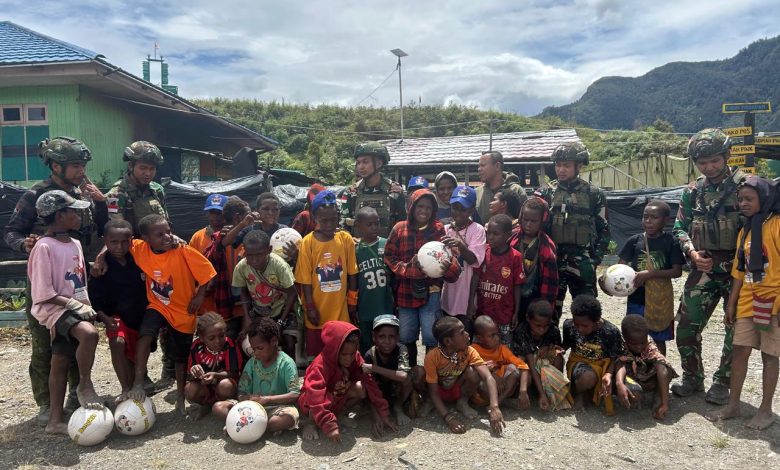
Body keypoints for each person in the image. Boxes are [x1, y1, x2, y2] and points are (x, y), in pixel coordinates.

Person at [4, 137, 107, 426]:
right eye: (75, 165)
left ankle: (75, 396)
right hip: (46, 284)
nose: (81, 171)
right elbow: (11, 232)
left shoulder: (82, 193)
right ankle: (47, 405)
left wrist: (100, 203)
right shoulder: (36, 195)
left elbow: (99, 229)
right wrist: (24, 244)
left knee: (74, 342)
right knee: (43, 347)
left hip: (76, 280)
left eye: (83, 165)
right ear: (56, 166)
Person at [671, 128, 748, 405]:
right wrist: (692, 253)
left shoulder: (745, 187)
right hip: (703, 267)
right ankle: (693, 377)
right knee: (686, 326)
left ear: (727, 155)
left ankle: (723, 382)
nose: (709, 167)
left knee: (735, 328)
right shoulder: (693, 192)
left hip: (739, 272)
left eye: (714, 160)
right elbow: (680, 227)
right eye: (702, 162)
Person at [120, 214, 216, 415]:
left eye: (168, 231)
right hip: (158, 305)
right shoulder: (139, 248)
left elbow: (207, 272)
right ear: (146, 238)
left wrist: (199, 296)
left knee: (180, 356)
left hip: (183, 311)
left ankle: (180, 396)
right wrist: (100, 257)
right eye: (159, 234)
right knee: (145, 334)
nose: (167, 236)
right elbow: (116, 241)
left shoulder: (182, 250)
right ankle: (138, 381)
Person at [27, 190, 105, 434]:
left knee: (60, 361)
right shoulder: (43, 247)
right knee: (89, 334)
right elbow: (43, 292)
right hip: (55, 308)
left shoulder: (75, 243)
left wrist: (85, 305)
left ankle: (54, 421)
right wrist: (74, 305)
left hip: (76, 308)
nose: (79, 215)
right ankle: (85, 384)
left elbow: (79, 283)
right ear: (59, 215)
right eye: (73, 211)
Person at [706, 176, 780, 430]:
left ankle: (766, 410)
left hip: (773, 301)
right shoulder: (745, 231)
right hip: (748, 300)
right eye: (740, 199)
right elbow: (739, 271)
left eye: (749, 199)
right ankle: (734, 404)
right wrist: (731, 304)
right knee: (739, 351)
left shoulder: (777, 225)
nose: (743, 203)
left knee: (770, 355)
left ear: (765, 198)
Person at [384, 189, 461, 367]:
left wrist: (447, 265)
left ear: (433, 210)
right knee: (406, 335)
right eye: (420, 206)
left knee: (431, 335)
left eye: (428, 208)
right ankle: (410, 373)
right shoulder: (399, 229)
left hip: (431, 292)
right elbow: (389, 256)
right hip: (405, 292)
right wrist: (408, 270)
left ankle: (429, 374)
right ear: (411, 207)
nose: (424, 211)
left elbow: (450, 261)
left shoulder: (438, 230)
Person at [536, 142, 609, 324]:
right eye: (558, 165)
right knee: (549, 312)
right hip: (553, 261)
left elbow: (604, 228)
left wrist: (595, 259)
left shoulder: (594, 194)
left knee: (587, 312)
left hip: (583, 261)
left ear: (579, 166)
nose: (561, 170)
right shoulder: (545, 192)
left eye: (566, 165)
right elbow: (535, 226)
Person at [299, 321, 398, 442]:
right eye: (344, 354)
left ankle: (339, 415)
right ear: (334, 349)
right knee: (315, 398)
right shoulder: (320, 366)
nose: (349, 359)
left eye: (352, 354)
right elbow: (315, 397)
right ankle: (311, 423)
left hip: (337, 396)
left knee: (361, 388)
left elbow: (369, 382)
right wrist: (329, 426)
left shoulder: (355, 357)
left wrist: (383, 413)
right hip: (315, 402)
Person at [88, 220, 150, 402]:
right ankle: (125, 389)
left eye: (124, 242)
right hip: (115, 317)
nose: (119, 247)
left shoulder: (140, 258)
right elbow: (95, 299)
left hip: (141, 316)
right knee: (117, 342)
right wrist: (105, 318)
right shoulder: (101, 268)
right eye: (114, 242)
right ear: (105, 241)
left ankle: (138, 382)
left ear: (132, 240)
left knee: (137, 354)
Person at [415, 316, 504, 435]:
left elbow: (488, 377)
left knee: (473, 372)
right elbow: (434, 391)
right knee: (418, 372)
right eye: (462, 333)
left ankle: (462, 402)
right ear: (448, 342)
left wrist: (494, 407)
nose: (467, 334)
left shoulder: (469, 351)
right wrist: (449, 418)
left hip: (456, 389)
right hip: (437, 391)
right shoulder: (432, 357)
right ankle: (429, 401)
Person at [295, 190, 358, 357]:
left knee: (341, 354)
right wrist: (310, 307)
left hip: (341, 313)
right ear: (314, 218)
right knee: (318, 357)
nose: (329, 224)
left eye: (333, 219)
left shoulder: (345, 239)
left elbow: (352, 273)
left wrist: (352, 301)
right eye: (324, 220)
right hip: (317, 313)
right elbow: (305, 279)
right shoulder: (307, 242)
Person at [616, 200, 684, 355]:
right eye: (645, 217)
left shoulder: (671, 242)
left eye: (654, 217)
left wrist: (650, 274)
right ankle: (635, 367)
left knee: (658, 339)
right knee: (633, 337)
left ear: (665, 220)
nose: (648, 221)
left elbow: (677, 271)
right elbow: (620, 268)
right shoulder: (634, 241)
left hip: (660, 301)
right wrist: (609, 281)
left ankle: (659, 366)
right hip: (636, 299)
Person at [213, 317, 302, 434]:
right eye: (253, 349)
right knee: (218, 407)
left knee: (288, 418)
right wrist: (248, 399)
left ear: (274, 341)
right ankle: (253, 427)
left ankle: (243, 426)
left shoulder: (286, 363)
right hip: (251, 409)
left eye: (260, 348)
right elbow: (241, 393)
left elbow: (294, 394)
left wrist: (266, 399)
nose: (256, 353)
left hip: (276, 408)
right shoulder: (252, 362)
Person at [232, 230, 297, 357]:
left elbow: (292, 293)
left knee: (289, 343)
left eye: (259, 254)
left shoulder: (279, 266)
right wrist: (247, 318)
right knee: (251, 345)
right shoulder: (242, 267)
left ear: (269, 250)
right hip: (259, 312)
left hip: (283, 310)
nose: (254, 260)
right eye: (250, 255)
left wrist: (281, 322)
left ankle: (289, 368)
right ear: (244, 251)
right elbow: (243, 291)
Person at [562, 295, 623, 413]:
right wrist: (560, 350)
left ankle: (592, 392)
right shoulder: (569, 326)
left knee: (635, 393)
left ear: (597, 320)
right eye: (576, 324)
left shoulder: (610, 331)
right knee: (587, 377)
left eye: (584, 326)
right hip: (579, 363)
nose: (579, 329)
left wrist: (608, 374)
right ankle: (580, 393)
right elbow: (566, 344)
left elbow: (615, 358)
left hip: (603, 366)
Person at [473, 215, 525, 344]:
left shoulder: (515, 257)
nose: (490, 237)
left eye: (495, 234)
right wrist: (470, 304)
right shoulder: (483, 251)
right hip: (483, 313)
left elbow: (517, 285)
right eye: (489, 233)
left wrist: (516, 312)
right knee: (479, 347)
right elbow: (475, 277)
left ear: (508, 235)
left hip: (504, 314)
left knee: (503, 348)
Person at [441, 186, 486, 333]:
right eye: (455, 207)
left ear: (472, 210)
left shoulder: (477, 229)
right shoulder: (445, 229)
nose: (458, 212)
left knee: (464, 336)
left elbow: (474, 260)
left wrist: (460, 245)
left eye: (463, 209)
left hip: (466, 296)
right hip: (447, 295)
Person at [615, 315, 677, 420]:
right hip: (631, 376)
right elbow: (621, 365)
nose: (639, 347)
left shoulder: (650, 345)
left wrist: (665, 403)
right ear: (625, 339)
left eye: (642, 343)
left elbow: (662, 369)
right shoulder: (621, 344)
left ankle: (659, 396)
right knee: (634, 394)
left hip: (646, 376)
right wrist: (619, 384)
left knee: (666, 369)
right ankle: (635, 394)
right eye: (634, 344)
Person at [341, 141, 406, 239]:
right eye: (358, 163)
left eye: (365, 162)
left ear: (379, 163)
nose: (360, 167)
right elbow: (343, 224)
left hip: (387, 247)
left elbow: (403, 226)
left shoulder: (394, 191)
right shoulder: (351, 192)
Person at [512, 300, 569, 411]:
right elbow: (530, 363)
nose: (542, 329)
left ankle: (553, 391)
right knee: (526, 374)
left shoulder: (553, 330)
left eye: (545, 326)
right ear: (528, 318)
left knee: (558, 357)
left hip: (543, 367)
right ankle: (534, 393)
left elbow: (558, 348)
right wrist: (542, 394)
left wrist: (549, 348)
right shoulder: (522, 330)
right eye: (538, 325)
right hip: (528, 368)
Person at [362, 314, 418, 426]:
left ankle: (398, 407)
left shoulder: (401, 349)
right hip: (380, 393)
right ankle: (379, 409)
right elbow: (369, 387)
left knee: (414, 374)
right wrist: (376, 416)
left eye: (391, 336)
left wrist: (374, 368)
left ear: (397, 337)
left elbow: (403, 376)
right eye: (381, 336)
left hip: (397, 391)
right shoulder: (370, 355)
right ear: (374, 337)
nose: (387, 341)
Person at [184, 312, 242, 418]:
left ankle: (225, 405)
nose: (218, 341)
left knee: (226, 386)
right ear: (202, 338)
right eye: (211, 338)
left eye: (221, 336)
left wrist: (215, 375)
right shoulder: (196, 346)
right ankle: (205, 405)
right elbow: (190, 376)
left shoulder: (229, 345)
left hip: (223, 386)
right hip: (205, 387)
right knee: (189, 389)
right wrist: (194, 371)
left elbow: (234, 373)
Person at [354, 207, 395, 354]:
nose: (374, 227)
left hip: (385, 305)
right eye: (369, 224)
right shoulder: (355, 250)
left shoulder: (387, 244)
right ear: (358, 226)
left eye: (377, 223)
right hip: (365, 307)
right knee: (366, 344)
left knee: (386, 343)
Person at [105, 140, 167, 235]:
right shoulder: (114, 194)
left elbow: (166, 222)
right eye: (143, 168)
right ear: (131, 166)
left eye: (152, 169)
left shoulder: (158, 190)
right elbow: (118, 231)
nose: (148, 173)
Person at [471, 316, 530, 409]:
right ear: (480, 338)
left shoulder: (502, 349)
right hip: (482, 393)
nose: (497, 338)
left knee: (513, 369)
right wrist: (493, 376)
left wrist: (523, 391)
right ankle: (503, 403)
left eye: (497, 334)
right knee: (475, 374)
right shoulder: (473, 350)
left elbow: (523, 366)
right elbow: (469, 370)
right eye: (492, 335)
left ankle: (499, 401)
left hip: (501, 388)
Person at [512, 197, 558, 317]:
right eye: (525, 219)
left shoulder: (547, 247)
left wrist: (544, 309)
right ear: (520, 217)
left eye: (534, 221)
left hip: (534, 299)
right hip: (510, 297)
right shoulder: (512, 238)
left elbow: (550, 285)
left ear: (543, 221)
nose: (528, 224)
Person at [475, 150, 527, 226]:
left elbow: (525, 221)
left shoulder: (516, 190)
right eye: (478, 166)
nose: (479, 169)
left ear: (497, 166)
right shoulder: (476, 193)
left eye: (483, 165)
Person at [223, 192, 288, 248]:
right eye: (266, 209)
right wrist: (242, 224)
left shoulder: (285, 231)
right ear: (257, 210)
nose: (271, 213)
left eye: (275, 209)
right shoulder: (249, 229)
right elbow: (225, 243)